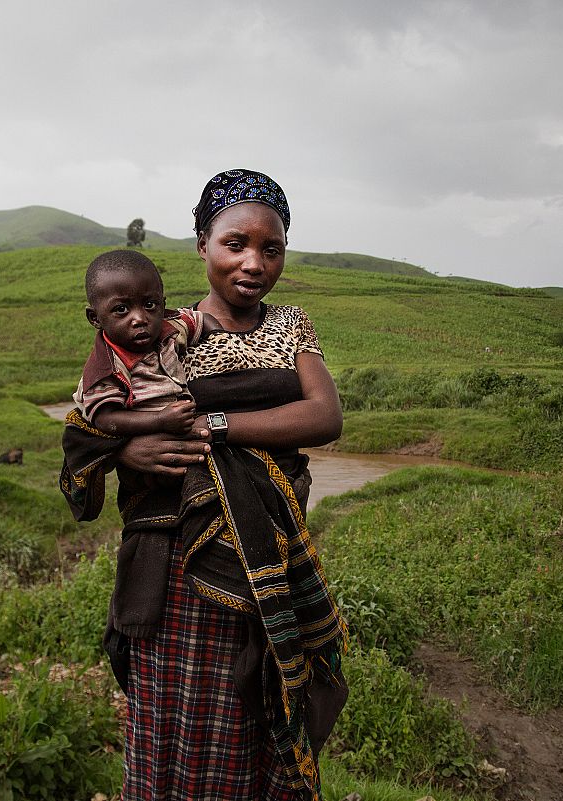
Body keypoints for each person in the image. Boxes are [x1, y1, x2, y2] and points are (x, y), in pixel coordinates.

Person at [61, 169, 347, 801]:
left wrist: (218, 423)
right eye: (235, 244)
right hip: (175, 567)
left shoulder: (292, 329)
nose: (253, 263)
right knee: (175, 719)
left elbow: (324, 417)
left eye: (270, 248)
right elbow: (94, 417)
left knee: (251, 716)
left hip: (262, 562)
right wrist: (129, 446)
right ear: (201, 245)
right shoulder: (160, 330)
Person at [73, 249, 220, 438]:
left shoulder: (170, 327)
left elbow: (203, 319)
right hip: (150, 445)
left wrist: (222, 339)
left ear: (163, 304)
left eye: (150, 305)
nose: (140, 318)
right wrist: (160, 420)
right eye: (122, 309)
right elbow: (106, 419)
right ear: (95, 318)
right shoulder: (106, 368)